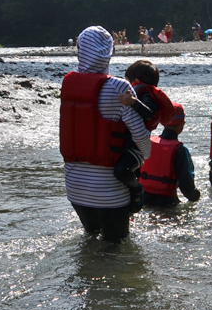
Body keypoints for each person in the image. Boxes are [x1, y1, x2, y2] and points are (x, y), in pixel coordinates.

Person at [60, 25, 151, 242]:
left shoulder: (68, 84)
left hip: (75, 187)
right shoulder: (119, 87)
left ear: (80, 51)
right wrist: (144, 156)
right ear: (109, 52)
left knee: (90, 242)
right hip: (109, 190)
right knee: (116, 248)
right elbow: (140, 136)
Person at [115, 60, 175, 209]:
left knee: (121, 171)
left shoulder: (146, 93)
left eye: (127, 82)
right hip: (129, 142)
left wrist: (133, 102)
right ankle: (130, 200)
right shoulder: (142, 91)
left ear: (135, 81)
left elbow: (149, 113)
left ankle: (137, 189)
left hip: (138, 145)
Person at [140, 103, 201, 207]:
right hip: (167, 203)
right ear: (182, 124)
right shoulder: (180, 150)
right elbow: (186, 185)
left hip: (144, 200)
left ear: (163, 123)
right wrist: (195, 196)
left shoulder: (148, 142)